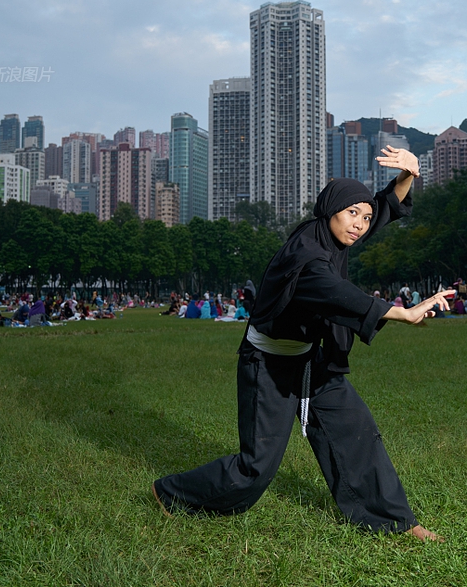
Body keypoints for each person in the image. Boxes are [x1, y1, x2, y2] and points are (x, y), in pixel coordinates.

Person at [152, 146, 451, 542]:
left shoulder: (338, 234)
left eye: (363, 218)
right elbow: (337, 293)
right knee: (256, 467)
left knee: (356, 431)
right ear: (330, 209)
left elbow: (383, 206)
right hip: (268, 365)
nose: (360, 225)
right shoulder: (306, 255)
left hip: (312, 360)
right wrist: (403, 312)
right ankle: (171, 492)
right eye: (352, 215)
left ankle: (393, 520)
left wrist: (409, 173)